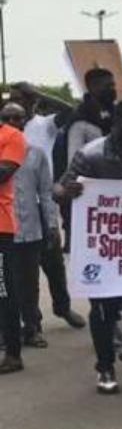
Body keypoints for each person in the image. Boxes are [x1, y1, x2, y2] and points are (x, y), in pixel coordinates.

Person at [53, 99, 122, 393]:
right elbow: (57, 189)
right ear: (118, 123)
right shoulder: (90, 154)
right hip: (100, 242)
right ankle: (105, 366)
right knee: (105, 307)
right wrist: (68, 190)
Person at [7, 82, 86, 329]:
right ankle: (31, 320)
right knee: (22, 270)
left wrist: (39, 93)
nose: (15, 103)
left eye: (21, 98)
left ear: (33, 102)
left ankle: (63, 307)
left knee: (53, 263)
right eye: (12, 98)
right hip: (13, 205)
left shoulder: (45, 125)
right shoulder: (6, 129)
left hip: (44, 202)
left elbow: (71, 110)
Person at [3, 104, 60, 351]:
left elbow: (45, 193)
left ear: (25, 121)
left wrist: (52, 225)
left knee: (29, 283)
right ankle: (7, 332)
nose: (13, 122)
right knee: (4, 285)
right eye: (7, 118)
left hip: (30, 230)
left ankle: (32, 328)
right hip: (4, 232)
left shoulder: (36, 154)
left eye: (18, 118)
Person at [0, 106, 27, 374]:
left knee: (2, 290)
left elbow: (3, 172)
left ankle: (13, 353)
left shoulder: (11, 136)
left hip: (1, 227)